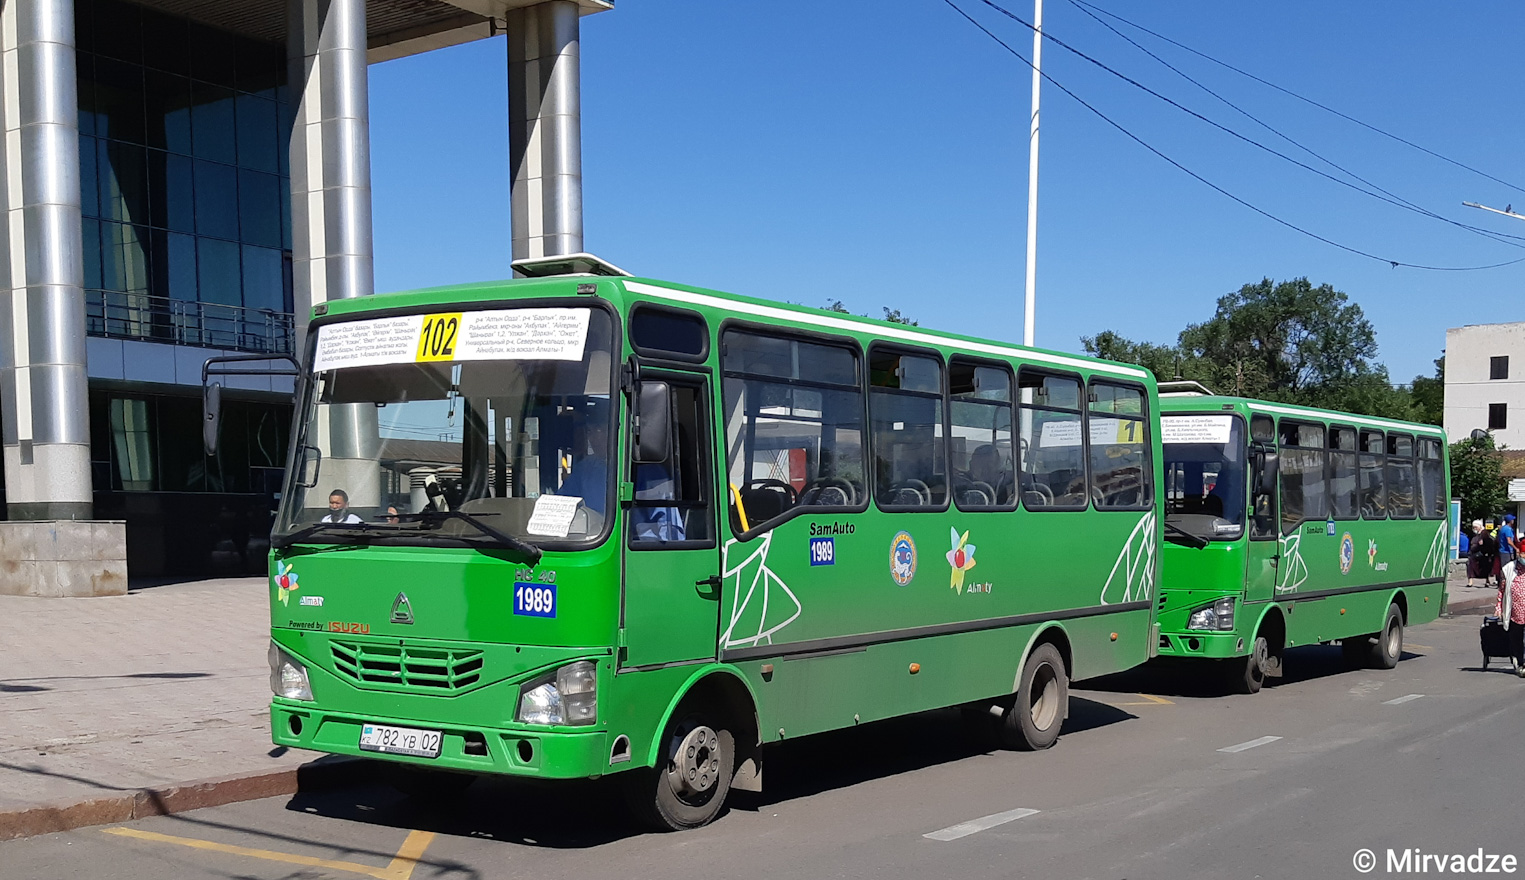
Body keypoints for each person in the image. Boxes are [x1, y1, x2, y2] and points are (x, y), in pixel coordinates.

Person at [558, 417, 610, 517]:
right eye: (590, 431)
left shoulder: (633, 468)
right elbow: (564, 500)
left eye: (599, 430)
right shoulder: (585, 467)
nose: (593, 438)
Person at [1496, 558, 1525, 676]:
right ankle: (1519, 661)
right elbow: (1501, 590)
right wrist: (1498, 608)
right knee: (1516, 638)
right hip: (1515, 612)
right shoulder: (1508, 569)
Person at [1472, 520, 1498, 589]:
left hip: (1487, 553)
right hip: (1486, 553)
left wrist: (1482, 546)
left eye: (1475, 527)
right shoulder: (1479, 534)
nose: (1474, 529)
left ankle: (1489, 580)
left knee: (1487, 568)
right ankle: (1488, 581)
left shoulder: (1484, 533)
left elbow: (1487, 543)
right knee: (1486, 568)